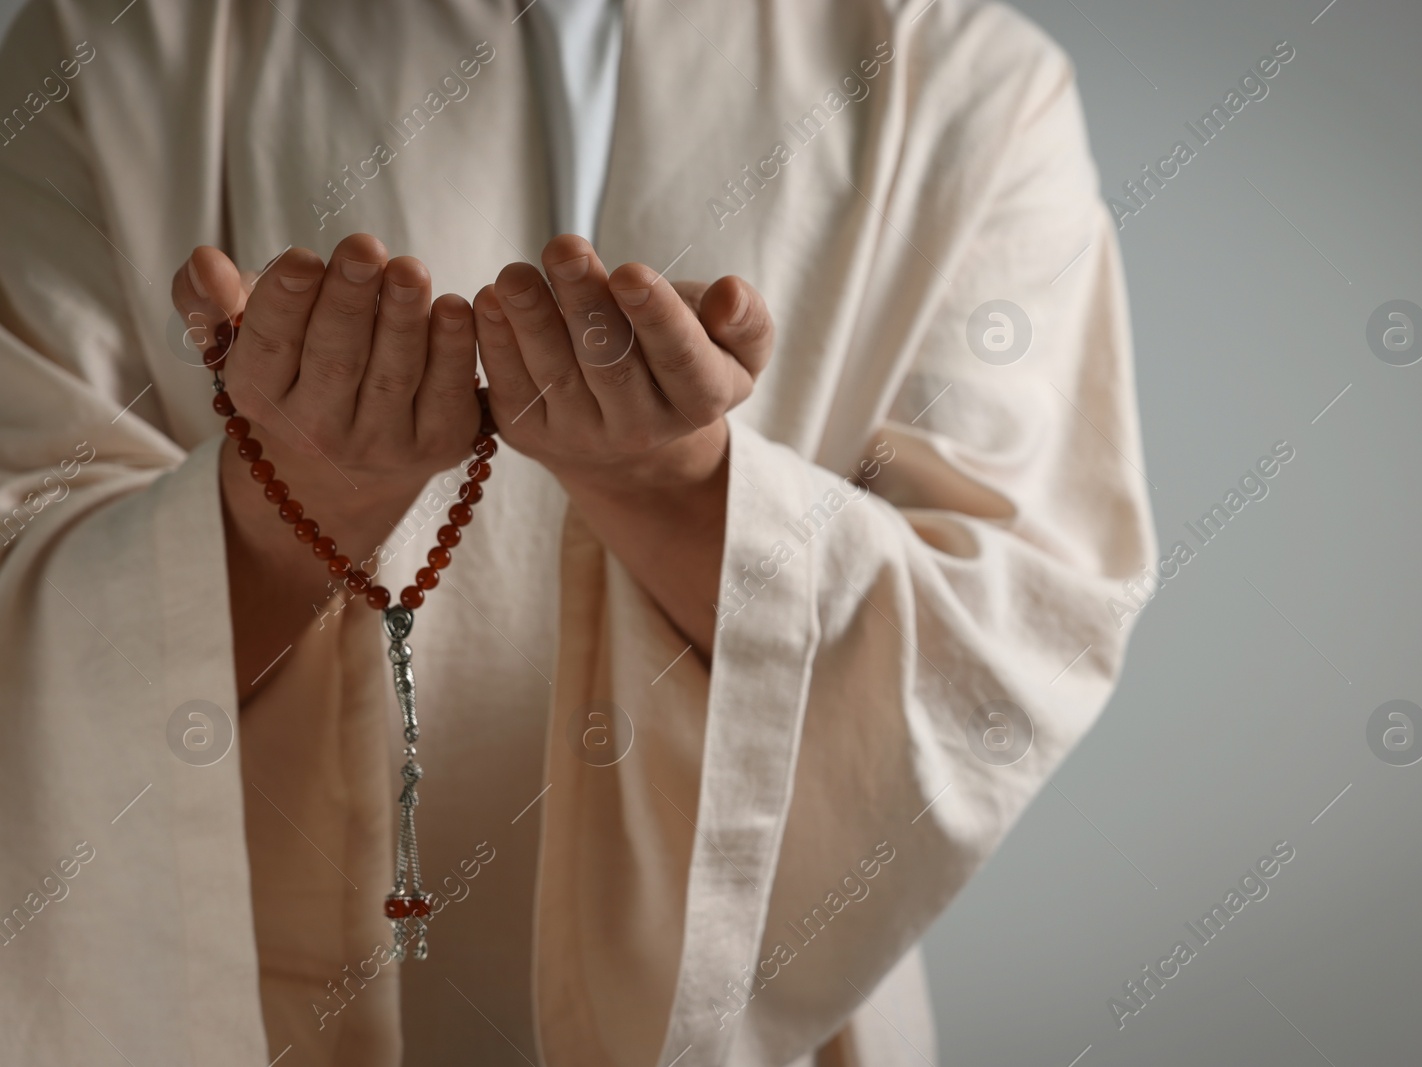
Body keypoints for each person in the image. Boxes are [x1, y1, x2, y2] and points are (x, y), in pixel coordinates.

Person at [0, 0, 1154, 1063]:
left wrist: (681, 486)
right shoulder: (116, 46)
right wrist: (292, 499)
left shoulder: (965, 79)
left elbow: (1010, 632)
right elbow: (20, 576)